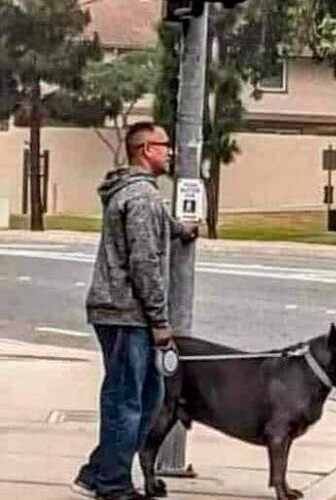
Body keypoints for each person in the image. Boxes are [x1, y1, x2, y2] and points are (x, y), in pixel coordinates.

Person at [72, 122, 197, 500]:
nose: (171, 151)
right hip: (127, 313)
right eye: (164, 145)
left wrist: (180, 229)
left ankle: (98, 472)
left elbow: (151, 230)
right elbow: (143, 260)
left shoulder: (134, 194)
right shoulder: (141, 197)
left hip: (120, 311)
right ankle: (113, 485)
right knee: (129, 400)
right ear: (145, 149)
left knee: (147, 397)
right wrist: (160, 321)